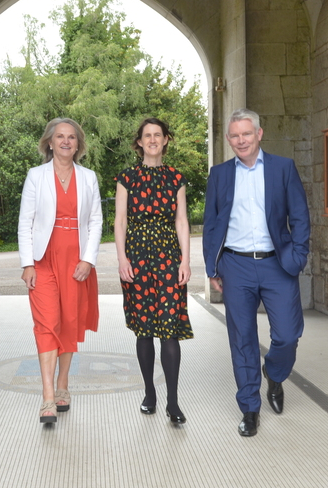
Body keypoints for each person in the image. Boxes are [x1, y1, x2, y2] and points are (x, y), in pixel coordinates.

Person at [203, 108, 310, 437]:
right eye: (234, 136)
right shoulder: (219, 174)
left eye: (246, 134)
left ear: (259, 134)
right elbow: (211, 224)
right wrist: (212, 265)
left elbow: (301, 217)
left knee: (288, 335)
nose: (240, 141)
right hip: (235, 266)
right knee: (242, 339)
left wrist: (298, 254)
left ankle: (274, 374)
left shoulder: (282, 168)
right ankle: (249, 408)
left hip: (277, 263)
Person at [18, 118, 101, 424]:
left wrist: (88, 259)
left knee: (68, 322)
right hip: (42, 259)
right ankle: (48, 396)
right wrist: (27, 263)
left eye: (71, 137)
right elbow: (25, 221)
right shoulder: (35, 176)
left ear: (78, 145)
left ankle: (64, 384)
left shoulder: (89, 177)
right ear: (49, 142)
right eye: (60, 137)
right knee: (46, 322)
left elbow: (95, 222)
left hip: (76, 260)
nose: (66, 141)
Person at [113, 118, 193, 425]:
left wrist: (186, 260)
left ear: (166, 139)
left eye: (157, 134)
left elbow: (182, 221)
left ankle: (173, 401)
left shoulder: (176, 178)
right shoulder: (127, 177)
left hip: (168, 258)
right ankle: (150, 392)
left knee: (169, 327)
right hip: (137, 257)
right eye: (147, 135)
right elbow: (120, 221)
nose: (152, 139)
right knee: (144, 328)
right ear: (139, 142)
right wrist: (121, 258)